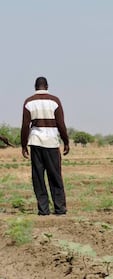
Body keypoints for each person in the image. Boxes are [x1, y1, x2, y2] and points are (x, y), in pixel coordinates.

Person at [21, 76, 70, 216]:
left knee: (38, 177)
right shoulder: (54, 101)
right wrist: (66, 141)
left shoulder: (29, 102)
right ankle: (60, 209)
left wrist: (23, 145)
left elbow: (25, 126)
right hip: (52, 142)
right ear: (47, 86)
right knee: (55, 176)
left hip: (36, 142)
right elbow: (61, 124)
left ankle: (43, 210)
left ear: (35, 87)